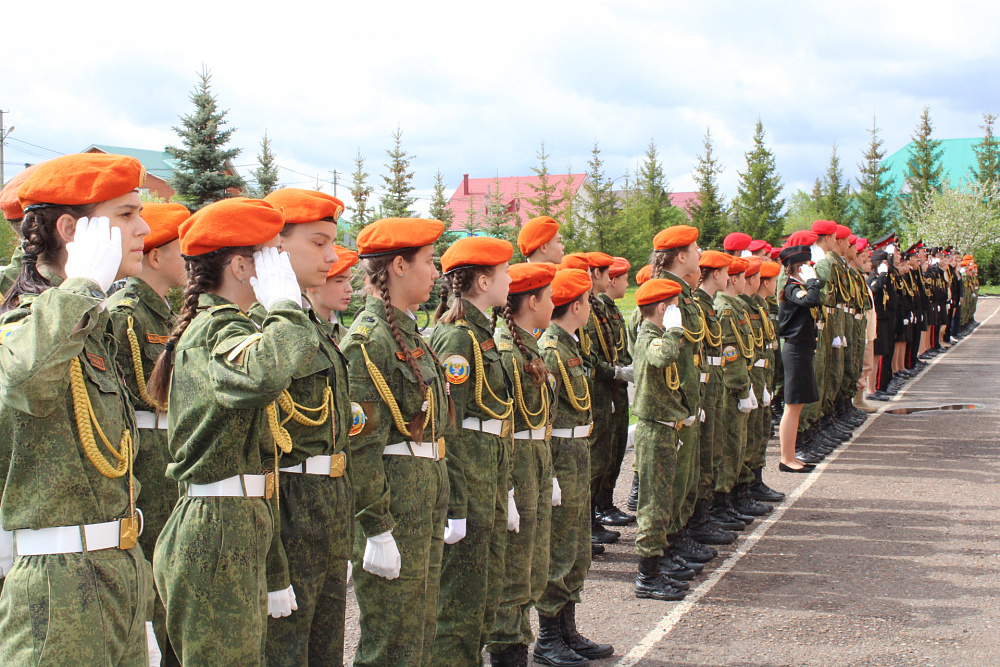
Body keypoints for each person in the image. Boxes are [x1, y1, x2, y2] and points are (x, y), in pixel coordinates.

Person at [146, 197, 317, 666]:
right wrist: (285, 306)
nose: (283, 265)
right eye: (272, 254)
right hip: (215, 526)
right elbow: (267, 372)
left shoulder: (228, 328)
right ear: (242, 267)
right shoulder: (214, 331)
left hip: (235, 518)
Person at [0, 153, 153, 666]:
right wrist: (82, 286)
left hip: (117, 568)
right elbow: (24, 380)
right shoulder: (25, 323)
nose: (143, 228)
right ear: (71, 230)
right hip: (58, 586)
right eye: (126, 214)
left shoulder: (90, 328)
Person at [340, 218, 451, 667]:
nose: (436, 273)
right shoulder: (370, 342)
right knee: (391, 638)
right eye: (429, 262)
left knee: (420, 628)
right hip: (396, 505)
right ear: (399, 267)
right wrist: (376, 525)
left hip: (422, 497)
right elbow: (360, 447)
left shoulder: (407, 333)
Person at [252, 188, 354, 667]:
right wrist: (273, 562)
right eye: (318, 242)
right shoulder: (259, 330)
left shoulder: (312, 327)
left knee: (325, 647)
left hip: (326, 505)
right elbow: (255, 454)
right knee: (285, 649)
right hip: (287, 510)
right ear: (276, 245)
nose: (332, 257)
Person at [106, 201, 189, 666]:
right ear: (155, 257)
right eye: (181, 249)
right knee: (154, 577)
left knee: (174, 579)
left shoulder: (169, 314)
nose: (189, 259)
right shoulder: (126, 314)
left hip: (169, 454)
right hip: (144, 461)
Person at [429, 236, 514, 667]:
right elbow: (449, 430)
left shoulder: (482, 335)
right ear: (483, 282)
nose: (510, 281)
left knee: (484, 594)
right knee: (459, 604)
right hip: (470, 481)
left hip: (488, 476)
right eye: (504, 273)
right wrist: (456, 504)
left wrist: (505, 488)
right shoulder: (457, 339)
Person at [535, 268, 614, 667]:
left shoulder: (569, 345)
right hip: (561, 454)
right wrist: (548, 471)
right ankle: (548, 637)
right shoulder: (551, 349)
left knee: (577, 547)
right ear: (577, 306)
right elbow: (543, 416)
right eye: (586, 302)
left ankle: (567, 629)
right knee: (560, 548)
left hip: (577, 450)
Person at [486, 262, 556, 666]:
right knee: (514, 572)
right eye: (549, 297)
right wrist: (509, 488)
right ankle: (507, 653)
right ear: (532, 302)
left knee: (532, 567)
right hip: (519, 468)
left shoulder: (528, 347)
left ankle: (522, 647)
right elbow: (504, 427)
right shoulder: (508, 353)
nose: (553, 304)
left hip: (536, 463)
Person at [631, 277, 695, 602]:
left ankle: (656, 567)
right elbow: (663, 357)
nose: (678, 312)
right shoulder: (650, 338)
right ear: (662, 308)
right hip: (654, 431)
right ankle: (647, 576)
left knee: (662, 501)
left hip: (664, 428)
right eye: (674, 307)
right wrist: (674, 329)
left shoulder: (654, 335)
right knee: (654, 506)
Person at [594, 256, 634, 528]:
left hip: (616, 389)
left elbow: (619, 350)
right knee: (604, 452)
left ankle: (606, 502)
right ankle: (600, 506)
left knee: (616, 448)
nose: (626, 284)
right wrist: (617, 372)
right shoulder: (597, 311)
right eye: (623, 278)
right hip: (604, 389)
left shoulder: (611, 310)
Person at [776, 244, 823, 472]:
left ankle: (791, 456)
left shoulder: (799, 287)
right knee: (792, 406)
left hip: (802, 350)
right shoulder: (792, 288)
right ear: (798, 268)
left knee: (797, 406)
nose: (810, 269)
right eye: (806, 265)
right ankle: (786, 459)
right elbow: (810, 301)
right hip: (794, 351)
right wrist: (813, 282)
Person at [304, 244, 358, 343]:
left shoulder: (341, 332)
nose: (349, 289)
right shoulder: (301, 331)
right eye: (339, 281)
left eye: (349, 280)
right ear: (312, 285)